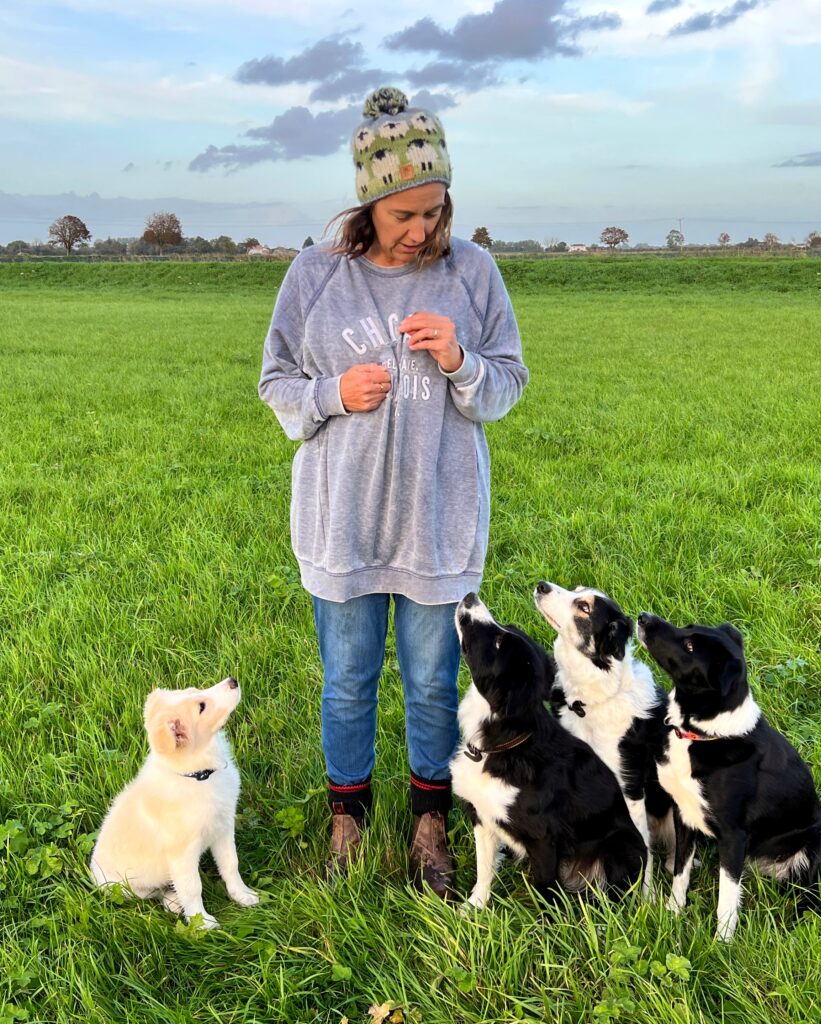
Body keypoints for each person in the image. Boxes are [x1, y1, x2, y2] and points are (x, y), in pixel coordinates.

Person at [258, 86, 528, 898]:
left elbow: (507, 385)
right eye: (403, 214)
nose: (420, 231)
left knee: (431, 682)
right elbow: (276, 382)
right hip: (341, 524)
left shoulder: (471, 272)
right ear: (368, 204)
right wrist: (335, 391)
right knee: (345, 680)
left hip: (437, 527)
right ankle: (347, 814)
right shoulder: (315, 275)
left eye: (434, 212)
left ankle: (429, 822)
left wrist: (460, 362)